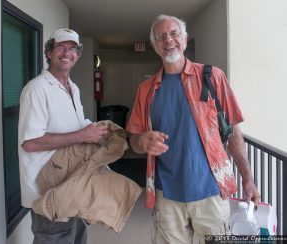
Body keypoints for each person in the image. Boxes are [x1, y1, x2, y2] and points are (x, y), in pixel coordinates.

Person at [126, 15, 260, 244]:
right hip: (166, 197)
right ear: (155, 46)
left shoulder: (212, 77)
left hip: (211, 192)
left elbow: (234, 132)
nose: (168, 39)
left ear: (185, 39)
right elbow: (133, 140)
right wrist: (142, 142)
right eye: (161, 36)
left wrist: (248, 179)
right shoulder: (146, 90)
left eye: (174, 33)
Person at [18, 28, 108, 244]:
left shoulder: (72, 88)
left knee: (78, 237)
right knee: (55, 238)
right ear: (49, 52)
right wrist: (82, 135)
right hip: (47, 190)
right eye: (61, 47)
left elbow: (75, 123)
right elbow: (30, 143)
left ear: (77, 55)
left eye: (73, 49)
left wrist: (96, 129)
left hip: (72, 183)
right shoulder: (36, 89)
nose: (67, 53)